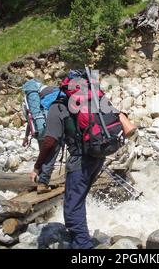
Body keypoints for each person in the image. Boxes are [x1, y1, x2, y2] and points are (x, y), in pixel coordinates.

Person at [30, 95, 105, 249]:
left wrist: (38, 167)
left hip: (80, 160)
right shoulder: (86, 100)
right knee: (79, 200)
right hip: (98, 155)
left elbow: (50, 141)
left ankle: (83, 246)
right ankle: (82, 239)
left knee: (72, 207)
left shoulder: (56, 107)